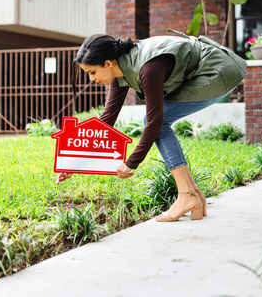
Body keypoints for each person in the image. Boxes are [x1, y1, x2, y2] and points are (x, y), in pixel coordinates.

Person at [57, 32, 247, 222]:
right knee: (155, 121)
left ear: (108, 63)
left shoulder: (148, 69)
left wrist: (132, 162)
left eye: (92, 73)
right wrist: (75, 163)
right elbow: (106, 122)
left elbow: (155, 122)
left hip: (218, 71)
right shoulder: (120, 70)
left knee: (155, 122)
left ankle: (187, 195)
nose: (91, 79)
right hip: (208, 69)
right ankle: (193, 195)